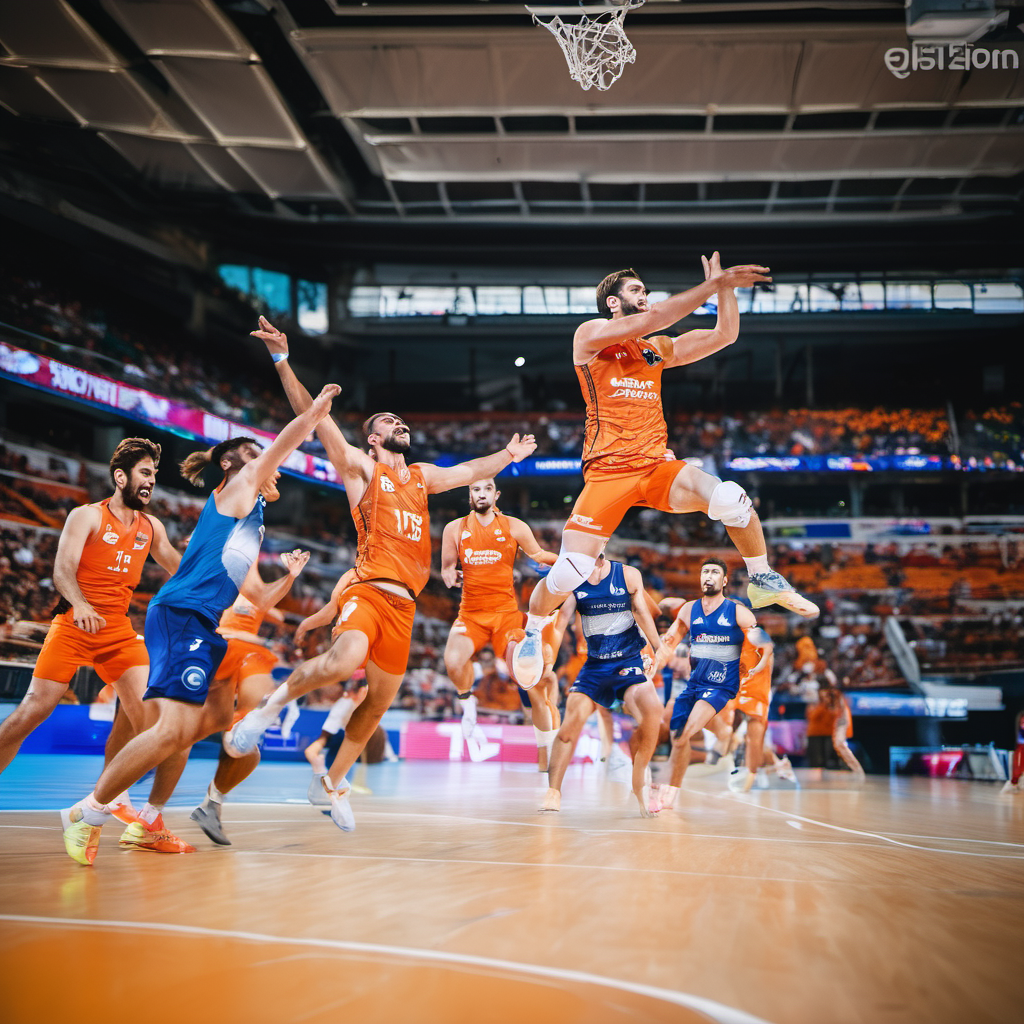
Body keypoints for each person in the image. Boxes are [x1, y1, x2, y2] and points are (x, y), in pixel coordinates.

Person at [224, 317, 537, 833]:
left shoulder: (422, 476)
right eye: (391, 422)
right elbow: (311, 416)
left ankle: (330, 782)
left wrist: (509, 455)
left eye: (402, 422)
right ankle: (261, 714)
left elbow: (469, 473)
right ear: (372, 438)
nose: (401, 426)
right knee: (344, 657)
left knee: (377, 703)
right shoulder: (360, 469)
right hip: (369, 587)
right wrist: (282, 359)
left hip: (406, 604)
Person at [60, 381, 341, 865]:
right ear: (233, 465)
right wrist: (314, 413)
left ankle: (149, 820)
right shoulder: (236, 489)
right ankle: (88, 813)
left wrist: (289, 578)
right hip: (180, 615)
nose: (264, 463)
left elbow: (254, 594)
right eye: (253, 456)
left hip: (202, 623)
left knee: (191, 730)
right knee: (170, 731)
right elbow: (282, 446)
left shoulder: (250, 516)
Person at [510, 257, 816, 689]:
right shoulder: (591, 337)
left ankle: (762, 577)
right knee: (571, 571)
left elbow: (725, 335)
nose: (645, 296)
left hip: (656, 467)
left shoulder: (656, 348)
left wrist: (722, 288)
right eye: (636, 291)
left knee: (731, 498)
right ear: (613, 302)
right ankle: (532, 631)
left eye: (645, 290)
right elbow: (657, 316)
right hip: (608, 474)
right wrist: (715, 285)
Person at [0, 439, 181, 817]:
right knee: (32, 711)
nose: (151, 481)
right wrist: (80, 604)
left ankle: (111, 796)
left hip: (117, 632)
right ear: (121, 476)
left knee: (149, 722)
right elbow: (62, 569)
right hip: (72, 626)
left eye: (154, 475)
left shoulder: (152, 527)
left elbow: (181, 571)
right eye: (144, 472)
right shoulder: (87, 516)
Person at [189, 546, 310, 846]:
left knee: (248, 751)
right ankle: (147, 763)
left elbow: (274, 608)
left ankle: (211, 805)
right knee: (180, 732)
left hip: (242, 655)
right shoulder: (218, 572)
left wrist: (290, 577)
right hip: (213, 650)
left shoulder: (257, 597)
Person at [440, 478, 558, 769]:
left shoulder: (514, 526)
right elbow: (445, 569)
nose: (481, 494)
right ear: (470, 494)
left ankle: (546, 749)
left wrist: (577, 565)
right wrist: (450, 576)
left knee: (529, 681)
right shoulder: (454, 529)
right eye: (476, 489)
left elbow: (540, 556)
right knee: (453, 661)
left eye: (487, 489)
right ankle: (469, 708)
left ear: (496, 494)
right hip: (471, 615)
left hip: (506, 616)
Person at [540, 553, 668, 817]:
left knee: (652, 711)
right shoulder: (574, 581)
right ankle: (553, 791)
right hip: (595, 667)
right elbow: (560, 623)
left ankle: (639, 781)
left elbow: (643, 610)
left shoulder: (628, 574)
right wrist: (548, 659)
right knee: (569, 725)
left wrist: (659, 647)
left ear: (604, 542)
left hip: (629, 663)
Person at [654, 557, 774, 811]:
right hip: (694, 683)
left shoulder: (738, 611)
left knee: (685, 731)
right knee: (677, 736)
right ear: (700, 578)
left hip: (721, 685)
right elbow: (669, 643)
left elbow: (763, 643)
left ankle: (668, 790)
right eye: (705, 572)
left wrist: (759, 665)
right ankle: (721, 740)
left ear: (724, 580)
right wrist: (653, 664)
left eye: (714, 572)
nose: (709, 575)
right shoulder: (689, 610)